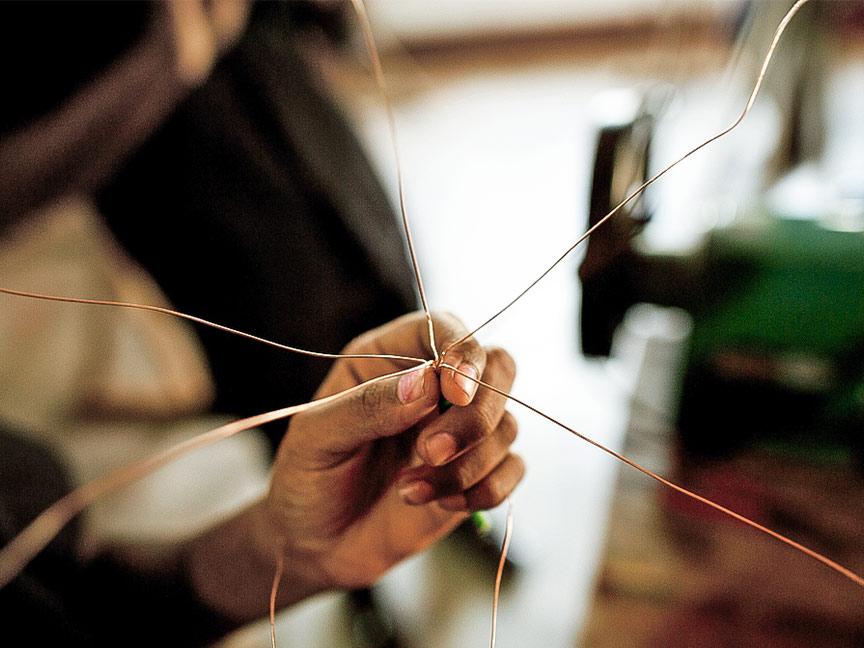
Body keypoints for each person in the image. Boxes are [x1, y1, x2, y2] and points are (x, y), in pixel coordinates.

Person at [0, 2, 523, 643]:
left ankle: (452, 521)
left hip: (288, 115)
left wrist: (286, 550)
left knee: (402, 333)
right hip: (194, 187)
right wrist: (178, 44)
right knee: (296, 389)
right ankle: (365, 594)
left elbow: (84, 606)